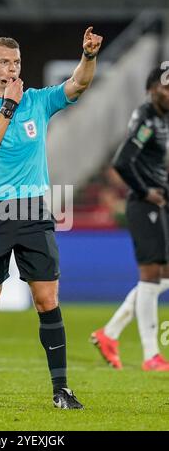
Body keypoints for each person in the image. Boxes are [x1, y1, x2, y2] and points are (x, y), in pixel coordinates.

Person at [0, 28, 103, 409]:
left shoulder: (38, 100)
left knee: (47, 298)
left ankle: (61, 389)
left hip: (33, 210)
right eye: (4, 61)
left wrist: (87, 57)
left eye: (17, 62)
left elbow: (78, 85)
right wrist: (7, 105)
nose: (12, 67)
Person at [91, 66, 169, 372]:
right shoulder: (148, 119)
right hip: (144, 204)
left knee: (162, 278)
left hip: (159, 203)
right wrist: (144, 190)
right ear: (151, 89)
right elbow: (122, 161)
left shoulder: (161, 119)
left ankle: (109, 333)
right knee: (151, 277)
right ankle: (151, 355)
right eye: (165, 87)